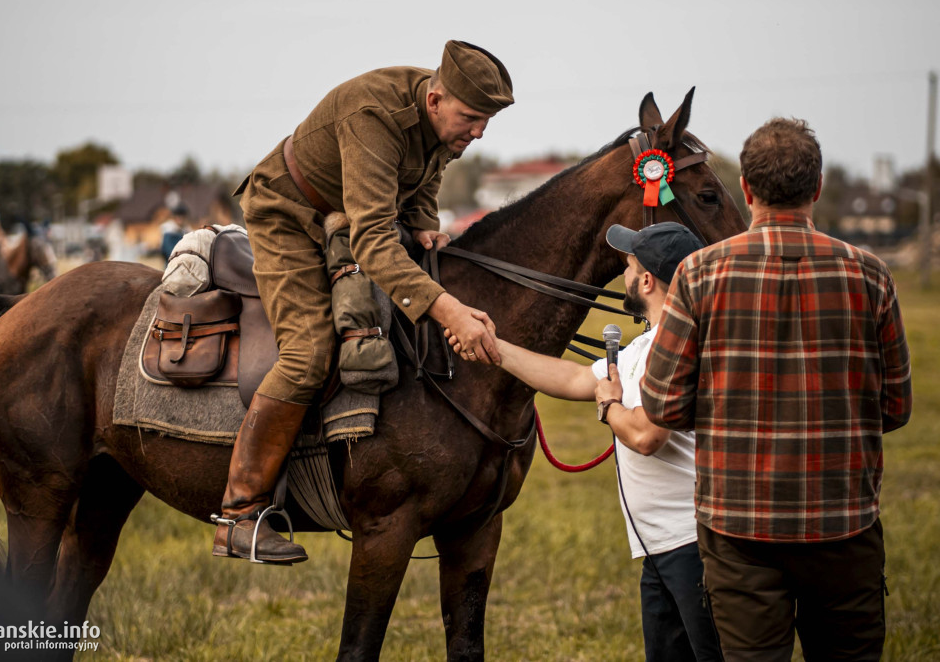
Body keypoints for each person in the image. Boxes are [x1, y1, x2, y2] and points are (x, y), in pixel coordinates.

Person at [213, 40, 515, 563]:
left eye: (486, 121)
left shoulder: (444, 110)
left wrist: (423, 223)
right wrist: (447, 310)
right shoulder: (374, 113)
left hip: (349, 218)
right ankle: (239, 515)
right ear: (436, 99)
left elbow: (428, 167)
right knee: (308, 353)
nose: (479, 132)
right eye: (471, 118)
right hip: (290, 214)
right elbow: (374, 241)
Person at [640, 118, 913, 661]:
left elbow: (662, 404)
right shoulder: (872, 275)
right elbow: (896, 408)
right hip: (844, 525)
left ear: (745, 188)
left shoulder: (698, 275)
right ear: (817, 187)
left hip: (738, 530)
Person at [455, 222, 721, 661]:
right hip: (659, 549)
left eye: (631, 266)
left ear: (648, 281)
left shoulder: (679, 346)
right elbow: (576, 377)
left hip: (691, 546)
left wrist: (610, 407)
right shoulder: (641, 348)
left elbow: (646, 435)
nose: (625, 274)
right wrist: (495, 348)